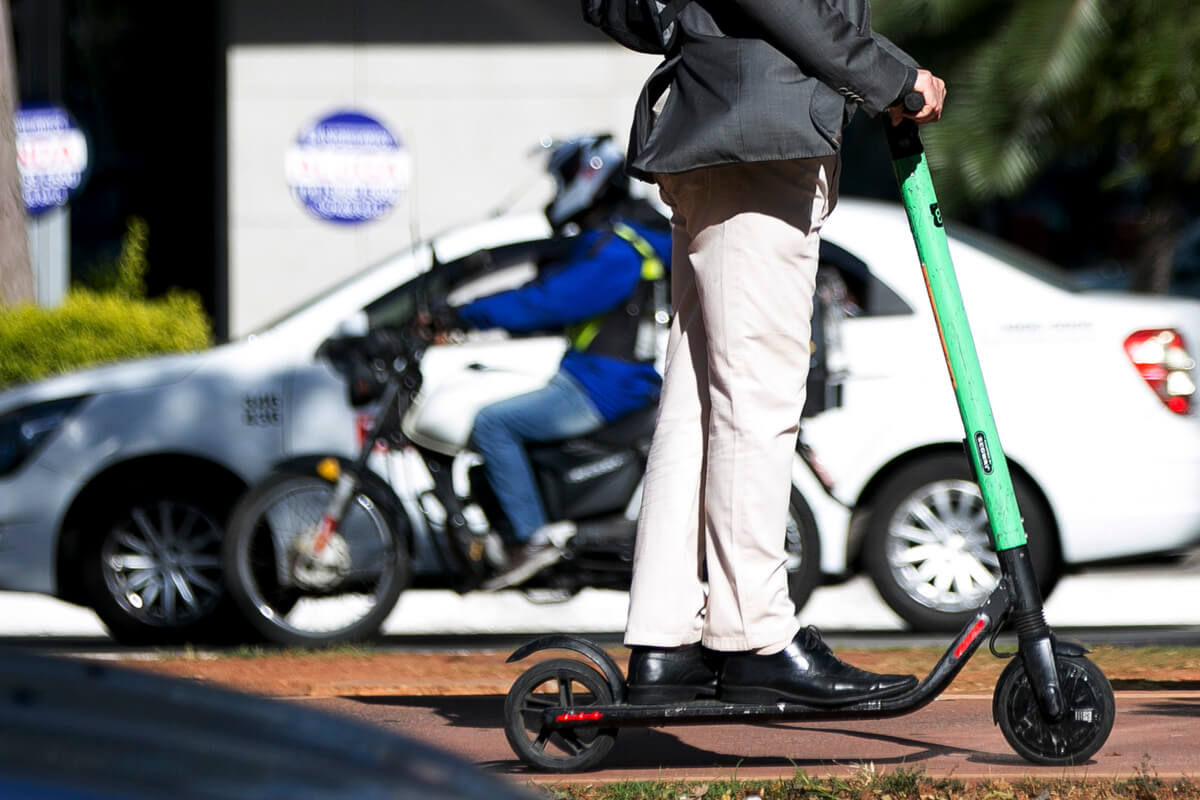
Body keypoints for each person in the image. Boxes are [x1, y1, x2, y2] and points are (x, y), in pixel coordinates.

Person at [620, 1, 948, 705]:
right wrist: (889, 75)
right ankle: (753, 636)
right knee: (755, 399)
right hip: (755, 144)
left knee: (699, 403)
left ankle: (666, 637)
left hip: (726, 128)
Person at [427, 135, 672, 591]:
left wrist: (465, 312)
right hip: (603, 377)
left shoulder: (618, 249)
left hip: (604, 384)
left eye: (562, 178)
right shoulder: (619, 241)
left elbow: (550, 302)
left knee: (493, 424)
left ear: (588, 177)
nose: (557, 190)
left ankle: (533, 538)